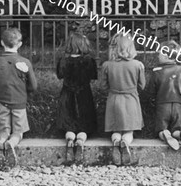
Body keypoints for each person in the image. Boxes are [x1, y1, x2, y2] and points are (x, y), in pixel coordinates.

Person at [0, 28, 38, 169]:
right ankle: (12, 143)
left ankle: (2, 141)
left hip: (2, 102)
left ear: (2, 42)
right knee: (18, 131)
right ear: (20, 44)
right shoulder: (25, 62)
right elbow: (33, 86)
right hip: (19, 102)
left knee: (3, 130)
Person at [100, 33, 145, 165]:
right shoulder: (138, 65)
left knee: (116, 130)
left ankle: (116, 142)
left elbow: (103, 86)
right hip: (131, 100)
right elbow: (142, 85)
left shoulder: (107, 65)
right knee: (128, 131)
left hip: (114, 99)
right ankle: (125, 142)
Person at [56, 32, 98, 164]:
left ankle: (69, 139)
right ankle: (80, 140)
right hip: (84, 94)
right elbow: (93, 76)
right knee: (84, 125)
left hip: (67, 94)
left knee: (68, 123)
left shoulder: (63, 60)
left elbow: (60, 75)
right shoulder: (89, 61)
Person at [147, 40, 181, 152]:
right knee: (177, 128)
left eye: (159, 53)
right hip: (178, 104)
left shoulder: (157, 72)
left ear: (165, 55)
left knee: (161, 128)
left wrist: (152, 99)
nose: (158, 55)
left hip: (162, 105)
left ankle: (165, 134)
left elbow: (150, 91)